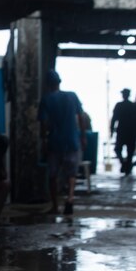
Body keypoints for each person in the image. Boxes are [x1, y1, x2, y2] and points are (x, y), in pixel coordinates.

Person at [38, 70, 86, 215]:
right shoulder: (72, 96)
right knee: (72, 173)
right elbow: (81, 117)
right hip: (72, 140)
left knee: (53, 175)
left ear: (47, 84)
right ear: (59, 82)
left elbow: (44, 123)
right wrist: (83, 136)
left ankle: (55, 206)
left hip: (55, 141)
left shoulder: (46, 100)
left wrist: (44, 140)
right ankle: (70, 198)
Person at [110, 88, 136, 175]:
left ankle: (125, 164)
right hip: (129, 131)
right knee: (128, 150)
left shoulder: (120, 105)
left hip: (123, 131)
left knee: (121, 149)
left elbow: (114, 119)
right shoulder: (133, 106)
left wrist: (112, 130)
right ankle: (126, 165)